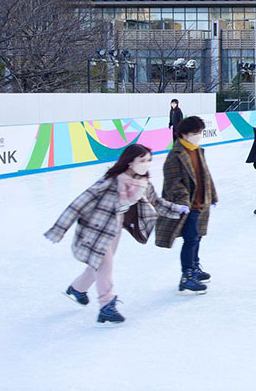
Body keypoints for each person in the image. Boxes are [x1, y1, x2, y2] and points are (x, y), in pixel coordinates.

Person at [48, 144, 188, 325]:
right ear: (130, 162)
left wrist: (179, 209)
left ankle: (77, 288)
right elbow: (79, 203)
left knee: (98, 263)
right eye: (142, 160)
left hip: (114, 228)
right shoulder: (112, 181)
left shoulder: (143, 183)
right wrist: (59, 229)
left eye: (149, 160)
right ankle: (106, 306)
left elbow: (157, 203)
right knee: (105, 265)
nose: (147, 164)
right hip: (95, 229)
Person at [156, 115, 217, 294]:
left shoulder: (197, 150)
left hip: (200, 202)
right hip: (187, 205)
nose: (198, 136)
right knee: (190, 239)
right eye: (195, 133)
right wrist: (184, 200)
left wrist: (212, 195)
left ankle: (195, 267)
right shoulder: (174, 155)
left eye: (200, 132)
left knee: (197, 237)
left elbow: (206, 174)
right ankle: (187, 275)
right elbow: (173, 182)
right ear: (184, 134)